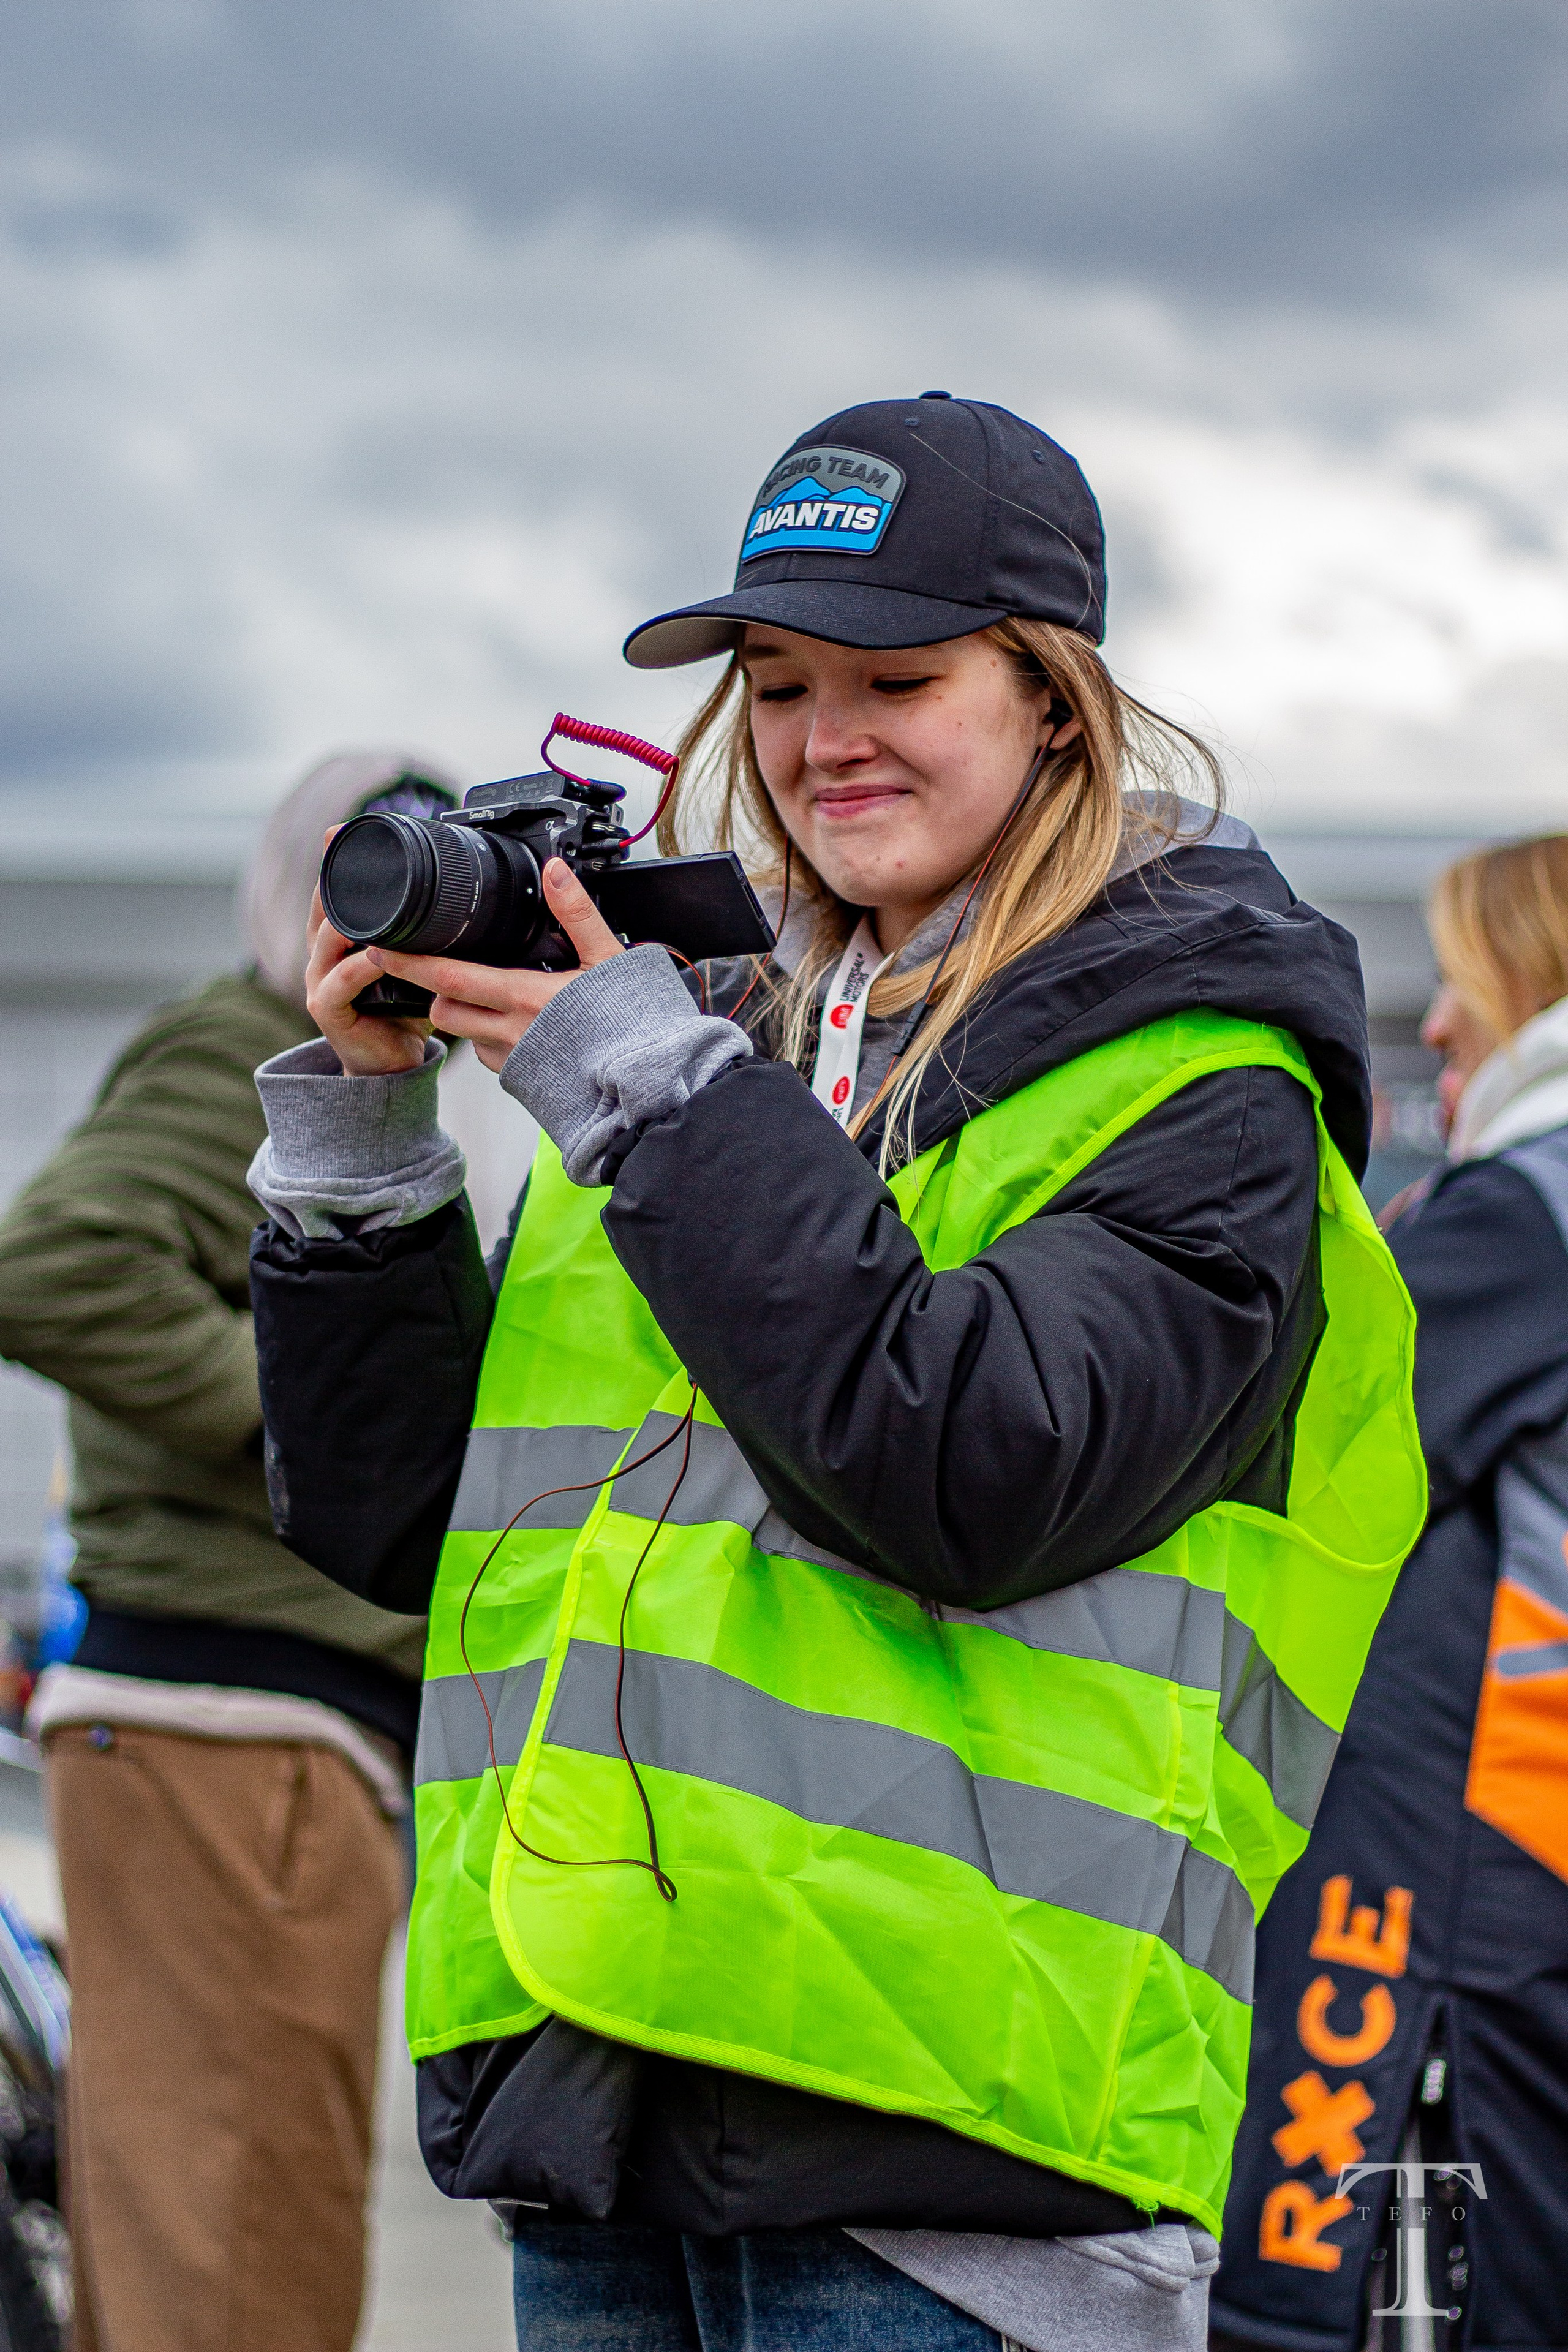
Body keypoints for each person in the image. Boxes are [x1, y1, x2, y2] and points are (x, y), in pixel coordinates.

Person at [246, 396, 1423, 2352]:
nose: (822, 738)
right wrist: (368, 1147)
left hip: (962, 2160)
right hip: (601, 2099)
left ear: (1055, 701)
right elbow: (397, 1528)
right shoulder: (729, 1054)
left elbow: (963, 1471)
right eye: (779, 684)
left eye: (899, 675)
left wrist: (650, 1087)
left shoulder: (1200, 1082)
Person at [0, 752, 458, 2352]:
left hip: (225, 1742)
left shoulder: (295, 1059)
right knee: (240, 2264)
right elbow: (50, 1264)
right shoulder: (239, 1051)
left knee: (194, 2248)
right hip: (234, 1737)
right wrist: (312, 1432)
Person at [1211, 835, 1568, 2351]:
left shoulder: (1517, 1217)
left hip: (1465, 1885)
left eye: (1462, 980)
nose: (1434, 1025)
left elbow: (1273, 1442)